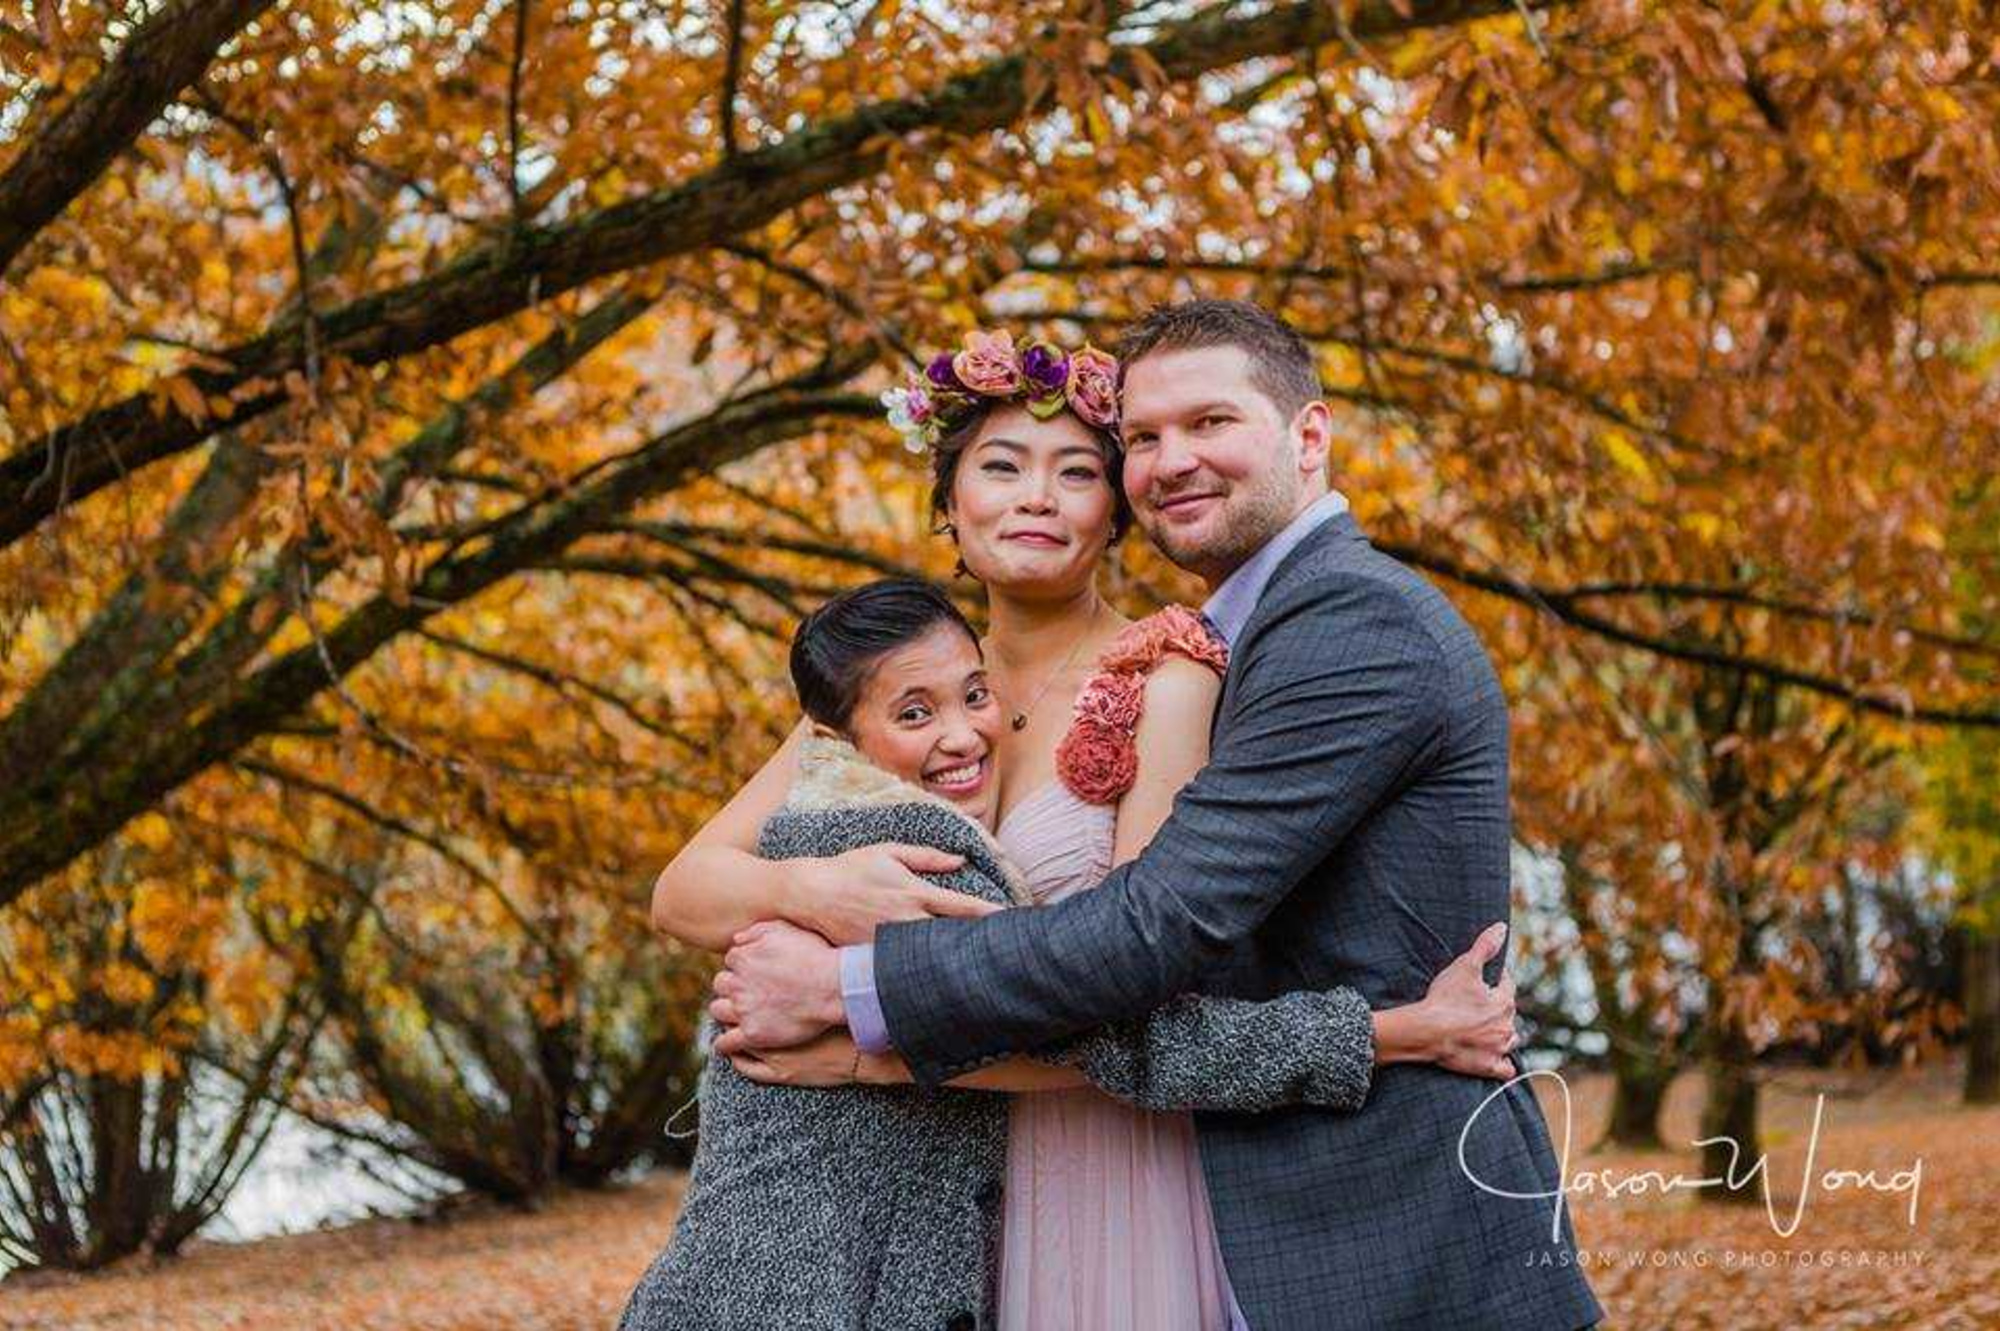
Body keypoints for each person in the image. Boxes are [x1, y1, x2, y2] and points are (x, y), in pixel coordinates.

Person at [714, 302, 1605, 1330]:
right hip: (1041, 1184)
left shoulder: (1347, 624)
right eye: (1142, 436)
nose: (1172, 460)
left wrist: (849, 995)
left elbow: (1153, 929)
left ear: (1308, 435)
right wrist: (807, 895)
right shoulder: (1227, 633)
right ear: (947, 503)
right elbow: (694, 882)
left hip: (1381, 1230)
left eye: (1210, 422)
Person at [622, 576, 1513, 1331]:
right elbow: (1134, 1041)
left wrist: (862, 1049)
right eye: (915, 714)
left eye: (975, 697)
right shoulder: (918, 856)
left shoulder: (820, 820)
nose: (963, 734)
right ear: (838, 738)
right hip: (811, 1292)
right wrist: (1395, 1032)